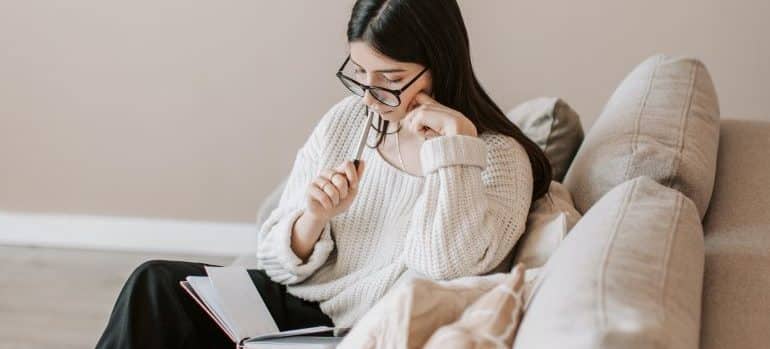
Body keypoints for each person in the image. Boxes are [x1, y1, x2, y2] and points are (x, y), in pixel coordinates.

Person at [94, 0, 552, 348]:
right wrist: (313, 218)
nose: (371, 96)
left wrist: (454, 149)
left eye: (391, 80)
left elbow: (447, 269)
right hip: (295, 303)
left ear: (442, 64)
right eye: (361, 73)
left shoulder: (497, 159)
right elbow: (274, 257)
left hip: (349, 330)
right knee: (154, 282)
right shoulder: (349, 121)